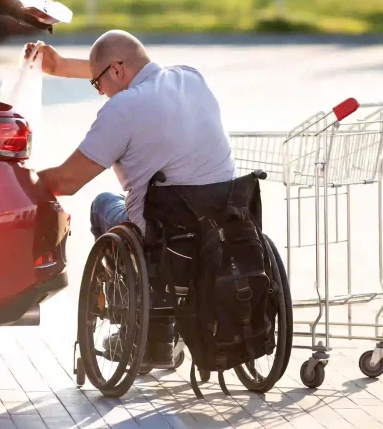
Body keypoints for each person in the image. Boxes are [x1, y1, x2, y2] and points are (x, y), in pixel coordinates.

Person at [26, 30, 235, 365]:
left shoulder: (122, 109)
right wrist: (62, 66)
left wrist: (20, 178)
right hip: (219, 222)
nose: (99, 92)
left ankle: (144, 333)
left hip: (162, 231)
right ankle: (158, 327)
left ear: (117, 71)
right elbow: (126, 68)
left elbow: (66, 181)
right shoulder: (190, 78)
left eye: (97, 84)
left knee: (102, 205)